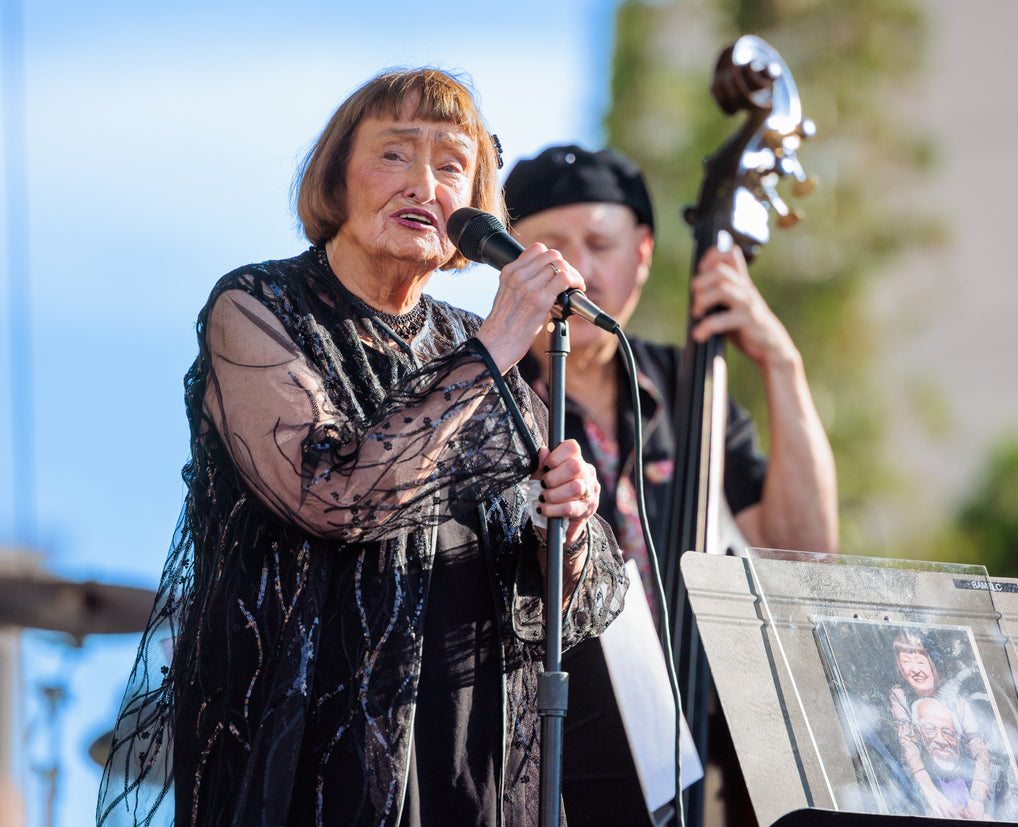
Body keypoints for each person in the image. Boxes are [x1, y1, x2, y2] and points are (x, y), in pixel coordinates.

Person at [95, 70, 627, 827]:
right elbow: (336, 498)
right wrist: (499, 342)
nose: (423, 184)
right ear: (337, 176)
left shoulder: (474, 346)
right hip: (310, 758)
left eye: (451, 165)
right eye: (394, 154)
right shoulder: (257, 307)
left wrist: (565, 527)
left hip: (465, 761)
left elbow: (577, 596)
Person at [503, 146, 838, 824]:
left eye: (601, 245)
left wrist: (781, 360)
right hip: (548, 750)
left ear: (642, 255)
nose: (578, 270)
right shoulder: (486, 396)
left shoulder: (690, 385)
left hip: (701, 736)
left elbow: (802, 554)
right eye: (552, 247)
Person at [889, 634, 993, 819]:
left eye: (920, 662)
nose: (915, 670)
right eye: (906, 662)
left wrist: (977, 800)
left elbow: (980, 753)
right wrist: (931, 793)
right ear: (899, 668)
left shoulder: (957, 698)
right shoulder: (900, 696)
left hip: (966, 783)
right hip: (927, 782)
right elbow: (907, 743)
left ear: (932, 664)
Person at [912, 697, 991, 820]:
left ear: (960, 738)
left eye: (948, 733)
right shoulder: (911, 778)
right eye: (929, 729)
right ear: (917, 733)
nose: (940, 740)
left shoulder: (978, 773)